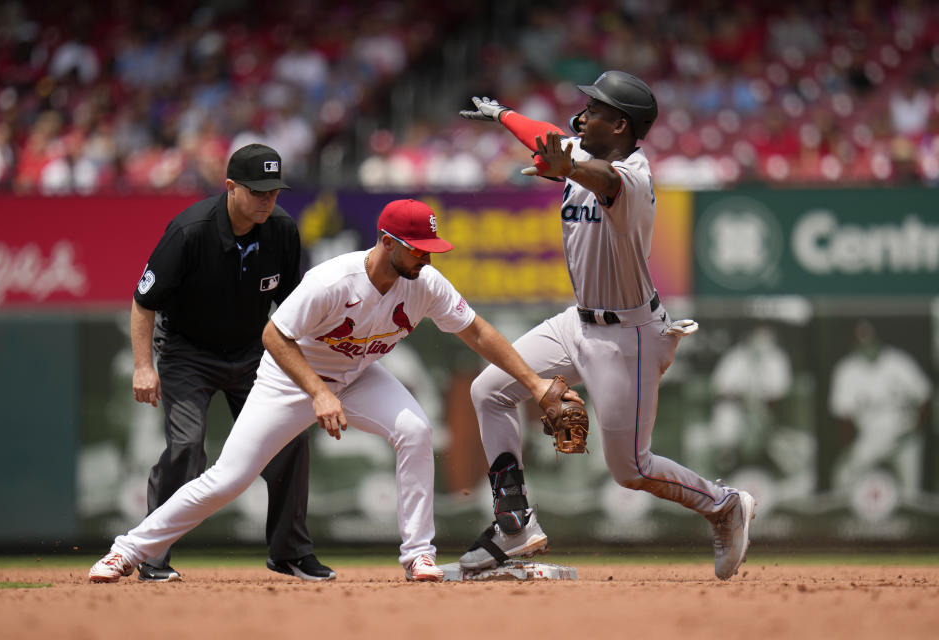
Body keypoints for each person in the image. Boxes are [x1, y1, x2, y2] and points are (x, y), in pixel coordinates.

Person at [89, 198, 581, 583]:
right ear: (387, 242)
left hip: (358, 373)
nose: (426, 257)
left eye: (429, 248)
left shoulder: (424, 282)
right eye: (417, 248)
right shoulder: (333, 281)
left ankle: (418, 556)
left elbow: (478, 332)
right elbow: (273, 336)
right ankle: (126, 550)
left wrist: (535, 383)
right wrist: (318, 394)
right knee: (230, 478)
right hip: (291, 379)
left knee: (414, 430)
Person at [457, 71, 756, 581]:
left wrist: (568, 163)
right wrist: (502, 116)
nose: (582, 113)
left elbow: (605, 180)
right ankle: (515, 523)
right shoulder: (580, 156)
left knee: (630, 469)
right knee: (490, 389)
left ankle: (724, 505)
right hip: (576, 322)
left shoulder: (633, 178)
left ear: (618, 124)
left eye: (594, 107)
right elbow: (544, 136)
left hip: (630, 336)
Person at [128, 143, 334, 582]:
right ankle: (151, 553)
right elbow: (143, 302)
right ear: (231, 188)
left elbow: (294, 308)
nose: (267, 200)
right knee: (187, 447)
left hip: (253, 353)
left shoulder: (281, 229)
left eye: (273, 191)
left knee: (289, 441)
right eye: (257, 191)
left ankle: (290, 552)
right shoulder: (190, 231)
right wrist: (144, 367)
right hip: (188, 353)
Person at [829, 320, 932, 502]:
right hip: (872, 435)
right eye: (861, 343)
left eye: (870, 341)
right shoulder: (846, 370)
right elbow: (842, 416)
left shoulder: (899, 361)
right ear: (854, 345)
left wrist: (917, 429)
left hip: (905, 432)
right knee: (843, 476)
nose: (867, 347)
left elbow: (925, 396)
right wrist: (850, 449)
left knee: (911, 492)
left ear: (878, 340)